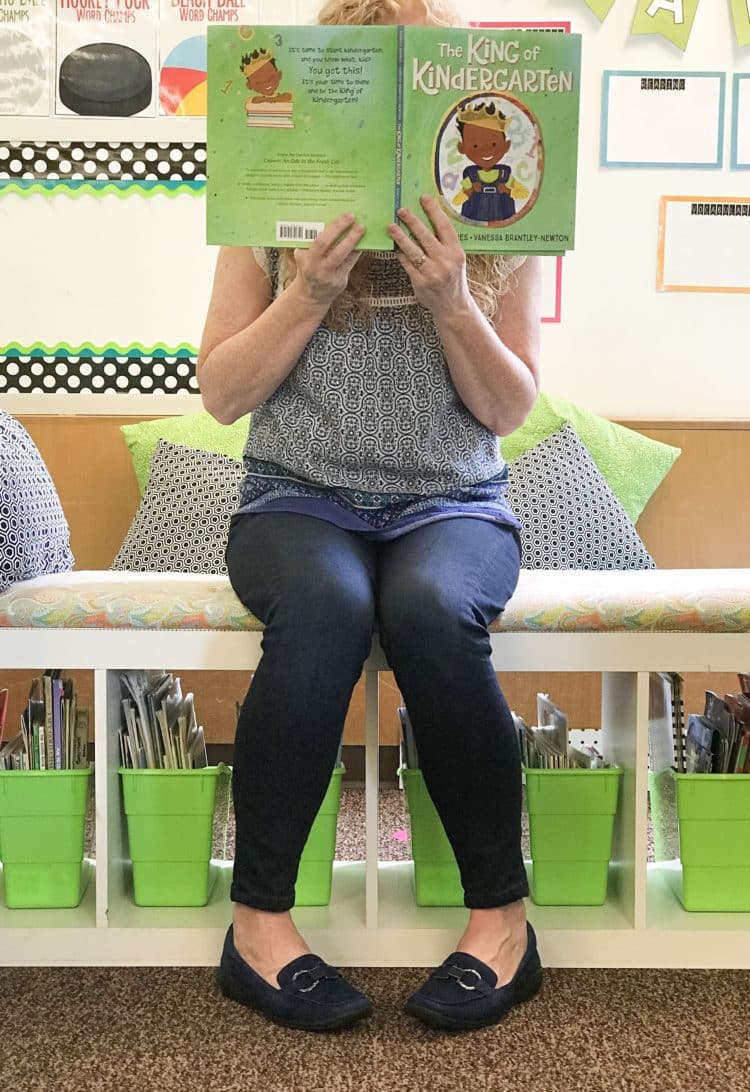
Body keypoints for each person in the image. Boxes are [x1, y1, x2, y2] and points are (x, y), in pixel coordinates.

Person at [198, 0, 543, 1034]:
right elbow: (221, 393)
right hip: (297, 497)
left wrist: (454, 303)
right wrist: (304, 291)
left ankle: (504, 927)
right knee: (325, 608)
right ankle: (258, 928)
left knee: (436, 610)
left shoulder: (510, 220)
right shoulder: (264, 215)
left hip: (453, 502)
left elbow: (511, 409)